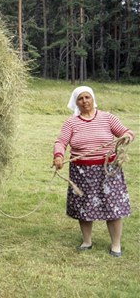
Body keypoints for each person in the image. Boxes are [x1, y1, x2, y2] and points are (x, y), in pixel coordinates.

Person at [53, 86, 135, 258]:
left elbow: (126, 132)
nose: (84, 101)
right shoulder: (71, 122)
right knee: (84, 207)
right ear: (75, 102)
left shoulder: (107, 118)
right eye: (80, 98)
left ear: (93, 99)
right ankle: (87, 241)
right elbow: (61, 142)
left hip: (108, 171)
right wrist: (59, 156)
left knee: (113, 207)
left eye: (87, 97)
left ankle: (116, 245)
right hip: (81, 172)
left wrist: (127, 136)